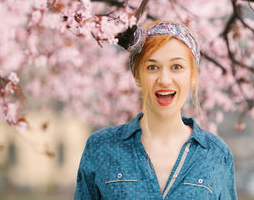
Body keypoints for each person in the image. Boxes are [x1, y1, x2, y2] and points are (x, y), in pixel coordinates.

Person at [74, 21, 237, 199]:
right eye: (152, 67)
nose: (165, 79)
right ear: (137, 75)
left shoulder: (216, 153)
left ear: (191, 75)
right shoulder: (101, 147)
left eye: (177, 67)